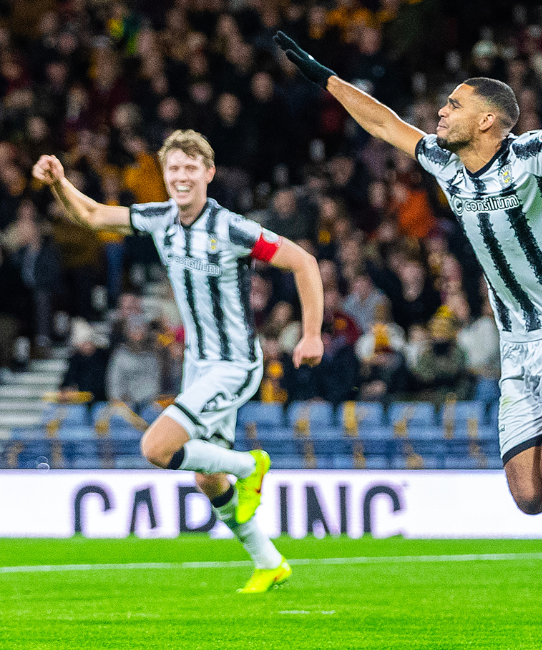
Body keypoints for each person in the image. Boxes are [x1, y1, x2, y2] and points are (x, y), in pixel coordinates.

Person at [276, 32, 542, 639]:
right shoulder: (447, 165)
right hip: (516, 346)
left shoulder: (531, 156)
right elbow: (384, 123)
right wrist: (326, 78)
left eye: (453, 105)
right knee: (529, 497)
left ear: (487, 120)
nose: (441, 113)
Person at [31, 130, 325, 594]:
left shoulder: (231, 227)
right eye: (174, 169)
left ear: (208, 174)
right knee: (208, 478)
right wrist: (58, 182)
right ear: (165, 177)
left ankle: (251, 466)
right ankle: (270, 563)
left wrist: (310, 335)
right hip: (198, 364)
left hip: (233, 363)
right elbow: (91, 214)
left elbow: (304, 262)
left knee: (156, 448)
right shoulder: (158, 218)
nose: (182, 176)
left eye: (191, 168)